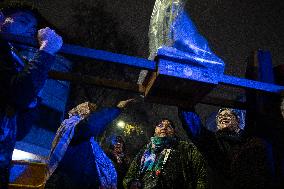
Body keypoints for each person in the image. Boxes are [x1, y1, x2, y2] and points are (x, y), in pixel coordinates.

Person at [0, 8, 62, 188]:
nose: (31, 30)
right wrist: (46, 51)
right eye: (23, 21)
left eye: (33, 26)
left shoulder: (13, 60)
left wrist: (34, 99)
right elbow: (19, 94)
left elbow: (19, 131)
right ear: (3, 19)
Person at [45, 99, 134, 189]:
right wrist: (117, 109)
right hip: (76, 179)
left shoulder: (68, 129)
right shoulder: (76, 129)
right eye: (91, 113)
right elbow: (92, 125)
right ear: (84, 113)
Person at [179, 108, 275, 189]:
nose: (223, 117)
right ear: (217, 125)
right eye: (220, 117)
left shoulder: (250, 139)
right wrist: (186, 105)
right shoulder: (211, 141)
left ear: (237, 120)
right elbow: (195, 127)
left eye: (228, 115)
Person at [123, 118, 208, 189]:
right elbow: (129, 175)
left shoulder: (185, 148)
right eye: (160, 125)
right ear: (155, 130)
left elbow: (202, 175)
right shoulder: (145, 151)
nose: (164, 128)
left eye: (169, 126)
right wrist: (130, 184)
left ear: (174, 132)